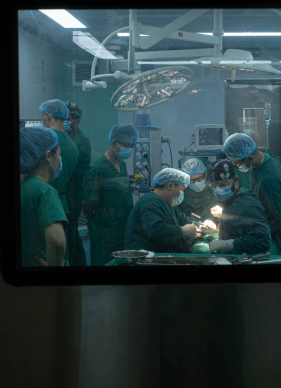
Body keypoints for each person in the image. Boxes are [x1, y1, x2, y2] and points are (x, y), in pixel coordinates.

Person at [222, 132, 281, 263]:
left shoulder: (269, 179)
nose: (238, 168)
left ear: (249, 158)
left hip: (280, 236)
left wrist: (251, 232)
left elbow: (275, 218)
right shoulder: (259, 164)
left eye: (238, 164)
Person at [81, 124, 137, 266]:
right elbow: (88, 204)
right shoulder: (98, 169)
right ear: (113, 143)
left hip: (122, 232)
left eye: (132, 146)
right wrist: (101, 226)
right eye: (126, 145)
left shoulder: (122, 165)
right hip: (104, 237)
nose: (129, 149)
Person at [19, 126, 67, 266]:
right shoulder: (45, 192)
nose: (59, 160)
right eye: (59, 154)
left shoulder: (23, 187)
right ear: (48, 156)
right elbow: (57, 242)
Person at [124, 168, 199, 253]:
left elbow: (182, 219)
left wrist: (200, 225)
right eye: (182, 189)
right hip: (144, 256)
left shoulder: (168, 204)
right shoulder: (150, 202)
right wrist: (182, 232)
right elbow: (157, 231)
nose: (182, 193)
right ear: (170, 186)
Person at [207, 160, 271, 255]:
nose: (218, 190)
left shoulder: (248, 205)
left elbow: (262, 241)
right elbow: (240, 224)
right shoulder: (231, 198)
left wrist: (229, 244)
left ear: (235, 180)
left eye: (223, 185)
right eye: (214, 186)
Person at [39, 99, 79, 236]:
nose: (42, 119)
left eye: (42, 116)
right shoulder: (72, 146)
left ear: (48, 116)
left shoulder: (45, 139)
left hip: (43, 205)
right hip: (60, 206)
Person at [63, 101, 91, 267]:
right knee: (73, 236)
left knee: (71, 236)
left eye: (70, 118)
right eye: (64, 117)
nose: (66, 121)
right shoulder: (67, 137)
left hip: (73, 196)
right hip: (68, 194)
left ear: (78, 119)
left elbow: (69, 166)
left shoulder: (81, 140)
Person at [178, 157, 218, 222]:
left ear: (205, 173)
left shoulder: (215, 191)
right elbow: (181, 214)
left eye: (200, 178)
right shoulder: (182, 193)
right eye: (192, 180)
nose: (196, 183)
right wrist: (198, 223)